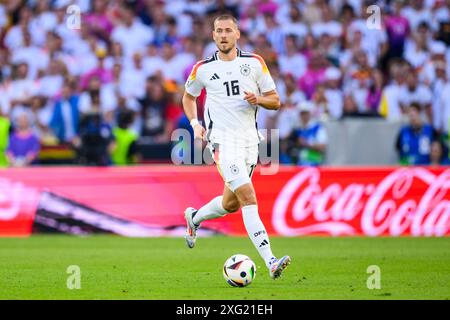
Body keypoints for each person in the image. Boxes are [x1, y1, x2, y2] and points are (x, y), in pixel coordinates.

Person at [182, 15, 290, 280]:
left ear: (238, 33)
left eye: (228, 30)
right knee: (249, 198)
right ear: (213, 35)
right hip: (222, 143)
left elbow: (276, 101)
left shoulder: (254, 63)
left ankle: (194, 218)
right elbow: (188, 96)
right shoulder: (203, 69)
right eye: (218, 31)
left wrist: (259, 99)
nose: (223, 35)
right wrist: (195, 123)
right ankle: (271, 261)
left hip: (250, 144)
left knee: (231, 204)